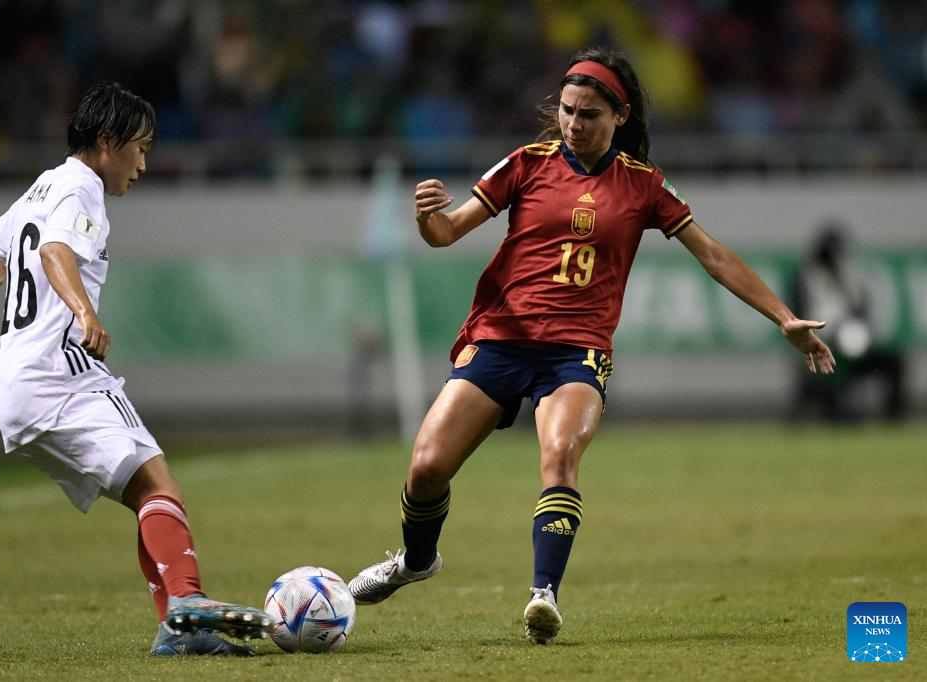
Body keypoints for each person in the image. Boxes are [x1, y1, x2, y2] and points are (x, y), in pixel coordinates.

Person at [348, 47, 836, 645]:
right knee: (426, 468)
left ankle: (542, 596)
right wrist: (428, 219)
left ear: (620, 117)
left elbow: (713, 255)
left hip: (575, 353)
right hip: (500, 340)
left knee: (560, 456)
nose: (575, 125)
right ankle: (417, 560)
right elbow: (447, 231)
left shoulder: (643, 185)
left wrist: (783, 317)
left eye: (590, 115)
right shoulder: (527, 164)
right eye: (569, 112)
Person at [0, 82, 272, 657]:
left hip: (16, 385)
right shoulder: (81, 189)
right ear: (107, 141)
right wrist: (83, 311)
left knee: (144, 492)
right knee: (159, 483)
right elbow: (56, 251)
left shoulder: (41, 187)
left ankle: (180, 626)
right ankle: (187, 607)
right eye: (140, 148)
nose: (144, 164)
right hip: (63, 373)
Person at [791, 220, 906, 422]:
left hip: (852, 341)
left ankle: (893, 417)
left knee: (894, 362)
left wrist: (861, 330)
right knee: (831, 374)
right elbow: (798, 317)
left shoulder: (851, 274)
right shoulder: (806, 277)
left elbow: (863, 308)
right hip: (823, 342)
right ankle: (840, 415)